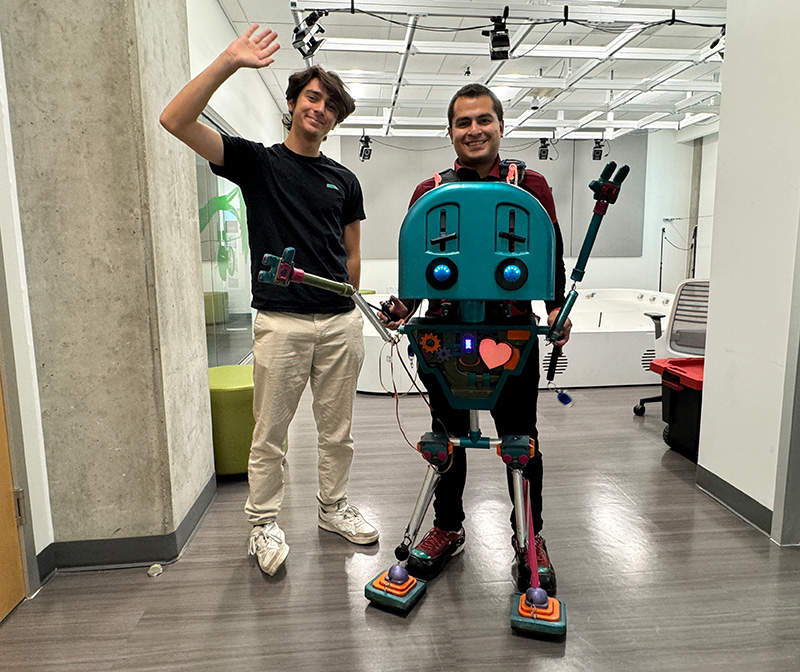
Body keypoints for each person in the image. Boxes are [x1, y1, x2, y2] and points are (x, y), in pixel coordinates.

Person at [160, 24, 378, 576]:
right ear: (292, 103)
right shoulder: (257, 163)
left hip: (338, 324)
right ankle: (262, 524)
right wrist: (229, 61)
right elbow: (175, 120)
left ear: (336, 119)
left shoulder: (344, 179)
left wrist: (349, 305)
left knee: (338, 433)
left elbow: (352, 254)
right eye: (312, 97)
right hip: (280, 324)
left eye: (330, 105)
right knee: (269, 434)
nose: (320, 109)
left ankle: (332, 509)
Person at [380, 83, 571, 595]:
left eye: (484, 120)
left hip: (511, 335)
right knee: (446, 439)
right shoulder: (430, 192)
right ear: (450, 132)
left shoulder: (531, 186)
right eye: (463, 122)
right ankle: (448, 527)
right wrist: (405, 306)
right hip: (442, 336)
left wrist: (554, 309)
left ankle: (529, 538)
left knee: (521, 441)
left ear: (501, 126)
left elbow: (549, 260)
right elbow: (419, 271)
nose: (474, 130)